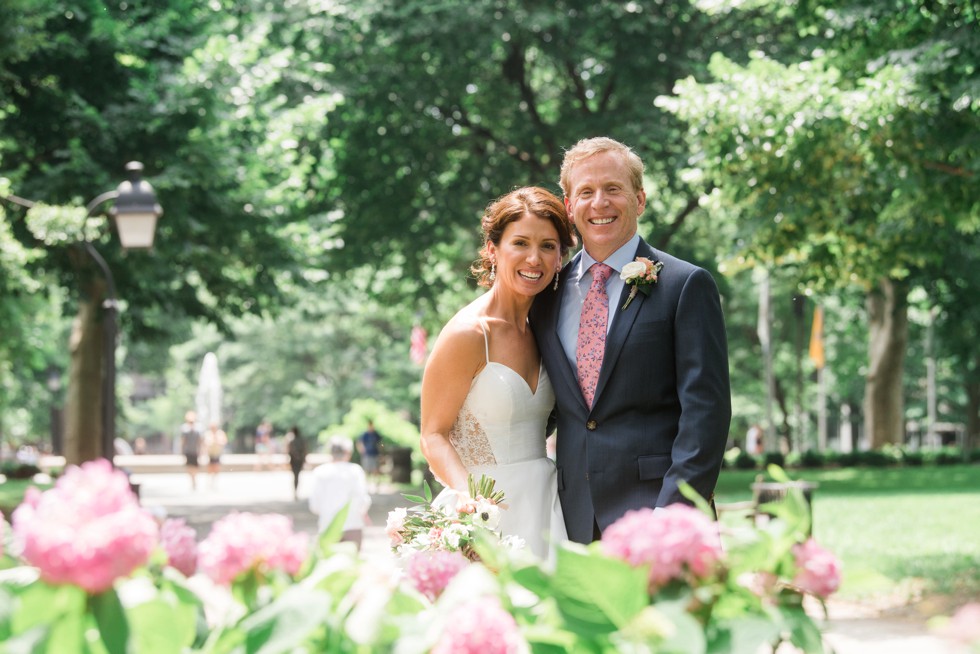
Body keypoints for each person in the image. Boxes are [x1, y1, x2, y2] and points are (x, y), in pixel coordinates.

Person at [528, 137, 732, 544]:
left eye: (613, 189)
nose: (599, 203)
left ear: (639, 200)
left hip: (661, 516)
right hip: (571, 519)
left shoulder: (684, 285)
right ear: (569, 206)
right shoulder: (545, 296)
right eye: (585, 192)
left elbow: (705, 414)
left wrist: (670, 516)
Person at [420, 186, 576, 560]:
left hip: (544, 504)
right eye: (520, 243)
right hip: (485, 514)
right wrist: (469, 505)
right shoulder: (469, 333)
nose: (534, 258)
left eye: (548, 246)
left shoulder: (548, 327)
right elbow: (433, 434)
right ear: (492, 250)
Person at [308, 436, 372, 550]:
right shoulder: (355, 470)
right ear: (348, 452)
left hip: (328, 526)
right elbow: (364, 500)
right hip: (353, 525)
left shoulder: (319, 472)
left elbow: (314, 505)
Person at [356, 420, 383, 490]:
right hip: (367, 455)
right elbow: (359, 443)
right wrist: (361, 450)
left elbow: (381, 443)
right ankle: (366, 486)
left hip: (375, 454)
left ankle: (376, 486)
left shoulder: (376, 434)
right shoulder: (365, 434)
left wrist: (381, 451)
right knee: (366, 470)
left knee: (376, 470)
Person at [179, 411, 202, 490]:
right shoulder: (184, 429)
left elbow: (200, 441)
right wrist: (182, 450)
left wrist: (201, 450)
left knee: (195, 466)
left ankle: (194, 478)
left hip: (194, 450)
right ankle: (192, 479)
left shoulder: (198, 429)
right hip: (188, 451)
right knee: (189, 466)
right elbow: (183, 441)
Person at [286, 426, 308, 500]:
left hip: (295, 460)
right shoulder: (300, 440)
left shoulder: (293, 441)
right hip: (298, 460)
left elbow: (290, 451)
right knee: (296, 476)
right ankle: (295, 491)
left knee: (296, 476)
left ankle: (295, 491)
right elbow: (305, 450)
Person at [203, 421, 228, 487]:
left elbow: (224, 441)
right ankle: (210, 480)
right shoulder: (208, 434)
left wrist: (218, 441)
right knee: (210, 467)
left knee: (216, 466)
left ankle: (215, 480)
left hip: (217, 452)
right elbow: (205, 443)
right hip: (210, 453)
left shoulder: (220, 433)